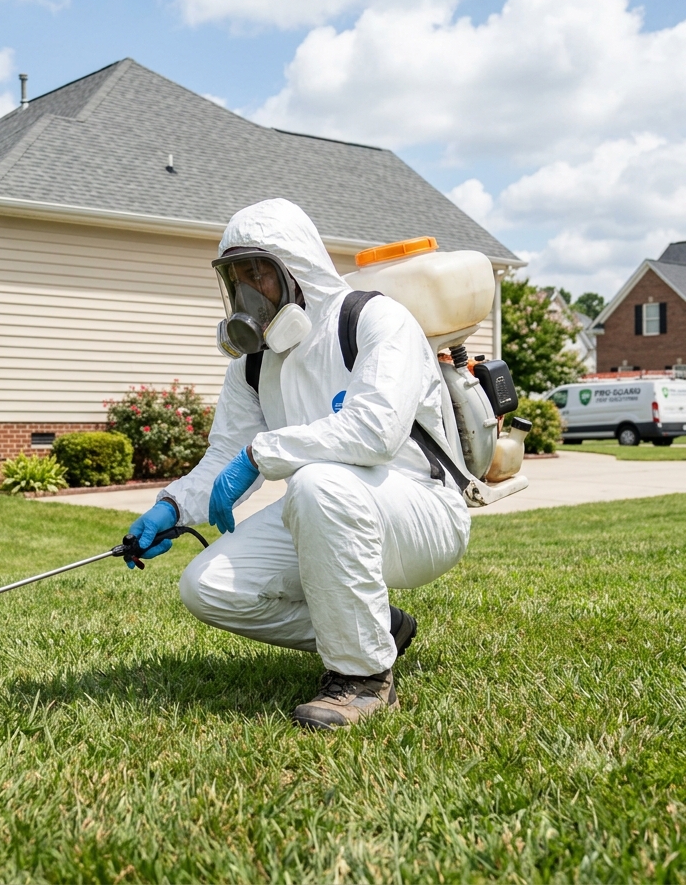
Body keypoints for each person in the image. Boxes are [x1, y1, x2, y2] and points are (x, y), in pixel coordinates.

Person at [125, 198, 471, 730]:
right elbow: (226, 452)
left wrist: (261, 453)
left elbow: (374, 432)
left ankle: (363, 678)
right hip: (323, 510)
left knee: (315, 483)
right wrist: (172, 506)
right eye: (236, 278)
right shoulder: (254, 361)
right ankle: (379, 628)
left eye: (258, 273)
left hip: (421, 511)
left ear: (297, 268)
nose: (247, 291)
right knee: (207, 586)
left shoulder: (374, 320)